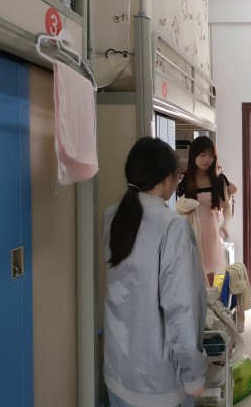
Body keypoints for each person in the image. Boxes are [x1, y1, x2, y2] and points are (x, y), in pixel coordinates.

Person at [103, 137, 207, 407]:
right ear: (168, 178)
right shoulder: (172, 227)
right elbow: (181, 307)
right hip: (160, 382)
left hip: (117, 370)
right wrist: (193, 372)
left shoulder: (112, 216)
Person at [177, 136, 232, 285]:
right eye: (202, 155)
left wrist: (224, 224)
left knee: (212, 278)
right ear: (193, 155)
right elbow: (178, 207)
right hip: (191, 230)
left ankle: (211, 301)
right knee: (192, 277)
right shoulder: (185, 180)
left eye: (211, 155)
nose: (207, 159)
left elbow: (227, 207)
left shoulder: (219, 179)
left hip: (211, 230)